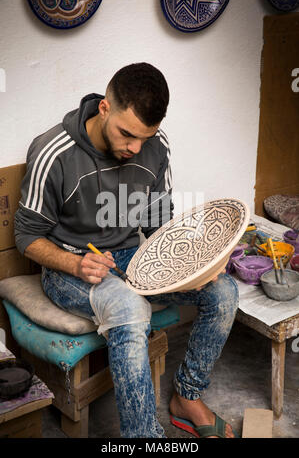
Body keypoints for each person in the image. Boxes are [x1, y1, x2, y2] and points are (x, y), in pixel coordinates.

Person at [15, 62, 239, 438]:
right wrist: (74, 263)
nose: (135, 149)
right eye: (127, 134)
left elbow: (159, 224)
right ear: (105, 108)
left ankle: (187, 396)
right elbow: (26, 236)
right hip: (70, 266)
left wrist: (199, 263)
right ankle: (143, 438)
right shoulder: (53, 152)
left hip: (132, 258)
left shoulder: (155, 146)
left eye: (145, 138)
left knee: (223, 292)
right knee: (130, 310)